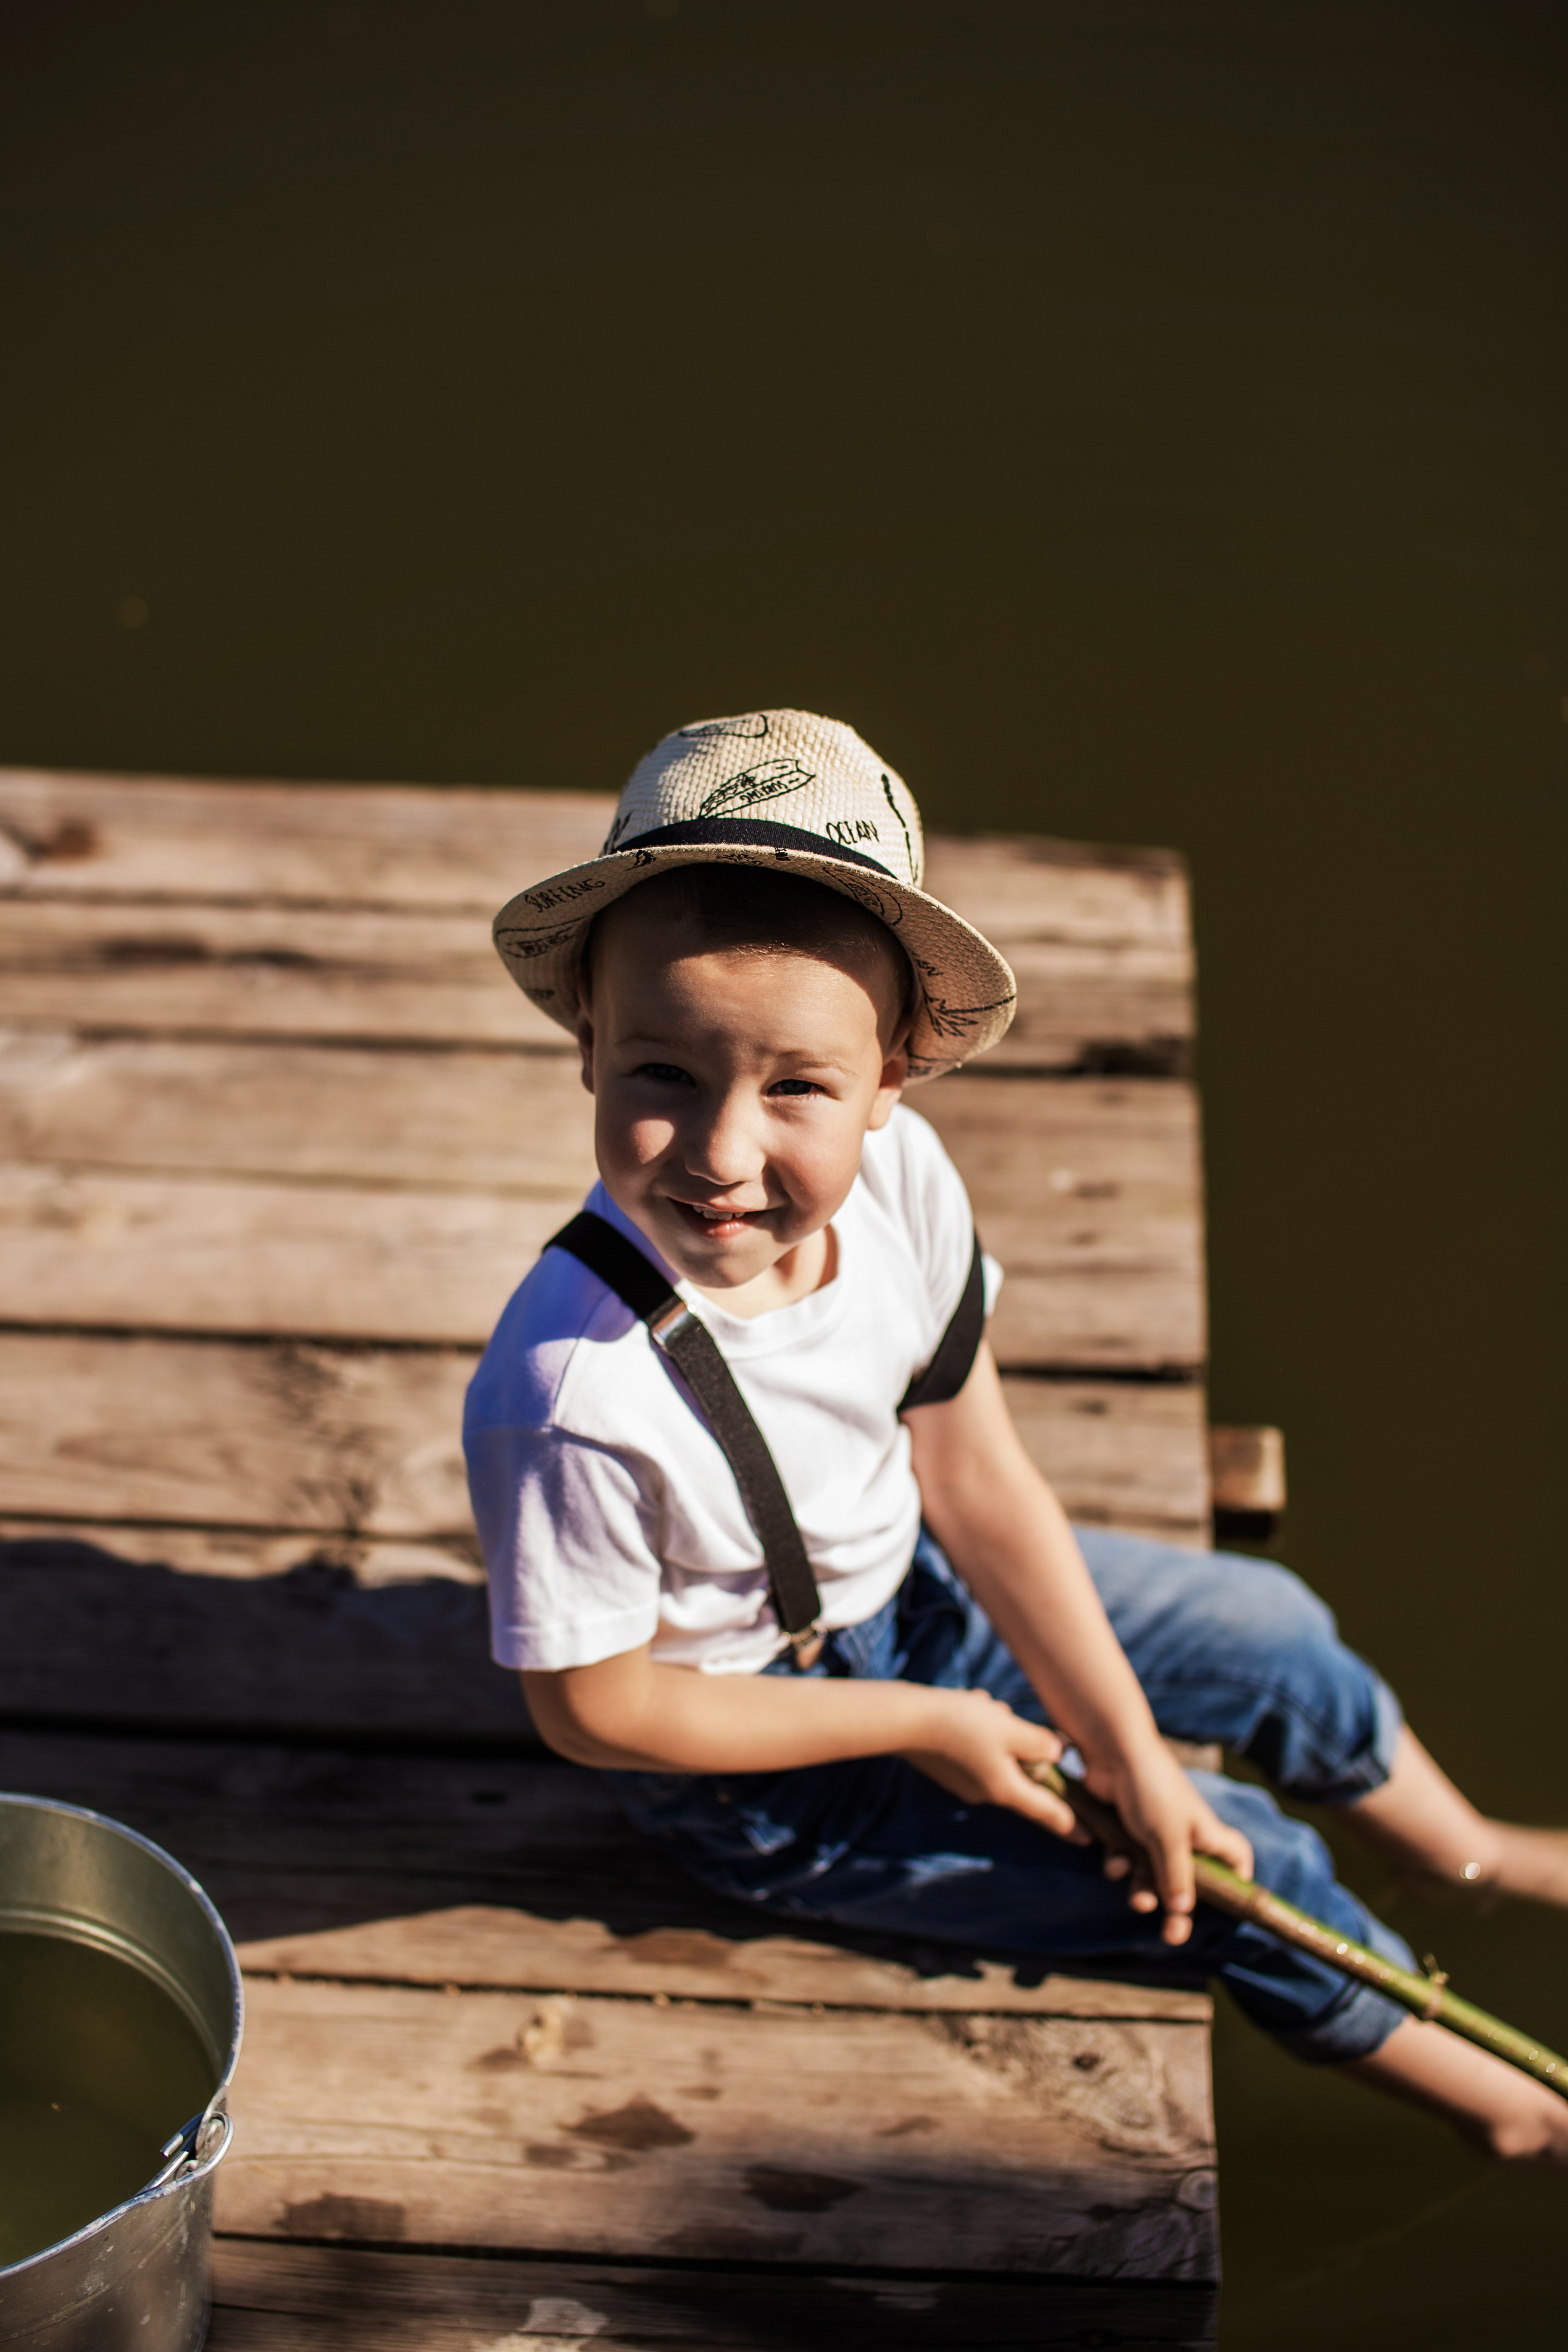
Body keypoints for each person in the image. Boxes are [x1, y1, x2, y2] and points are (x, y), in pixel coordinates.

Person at [465, 708, 1568, 2163]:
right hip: (767, 1766)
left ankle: (1458, 1855)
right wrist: (934, 1726)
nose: (724, 1155)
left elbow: (974, 1478)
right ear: (588, 1046)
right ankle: (1516, 2115)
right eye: (659, 1074)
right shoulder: (569, 1393)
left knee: (1272, 1626)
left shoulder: (903, 1183)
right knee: (1244, 1865)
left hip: (909, 1593)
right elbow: (594, 1713)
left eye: (797, 1086)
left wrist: (1118, 1741)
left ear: (893, 1080)